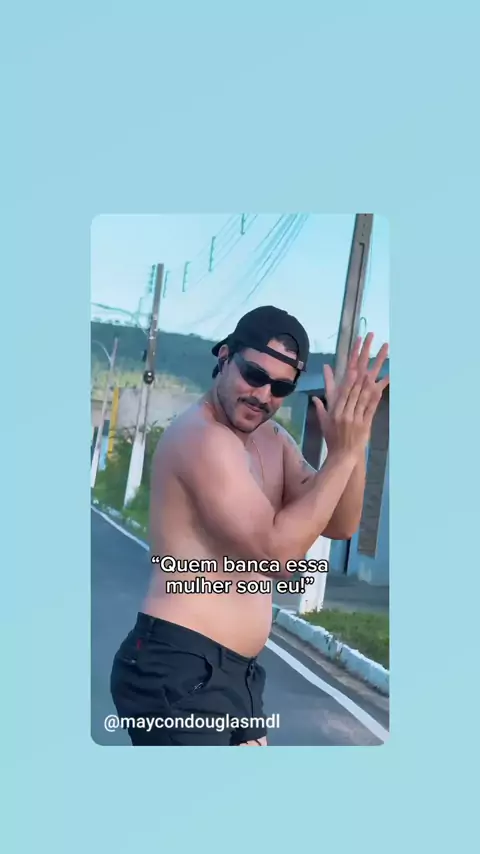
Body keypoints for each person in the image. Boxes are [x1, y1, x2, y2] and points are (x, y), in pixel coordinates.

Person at [110, 305, 389, 746]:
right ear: (224, 356)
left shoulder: (273, 441)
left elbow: (341, 522)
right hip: (178, 666)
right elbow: (276, 555)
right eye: (254, 375)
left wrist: (353, 444)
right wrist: (339, 457)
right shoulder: (201, 438)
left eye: (280, 387)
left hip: (235, 675)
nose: (263, 395)